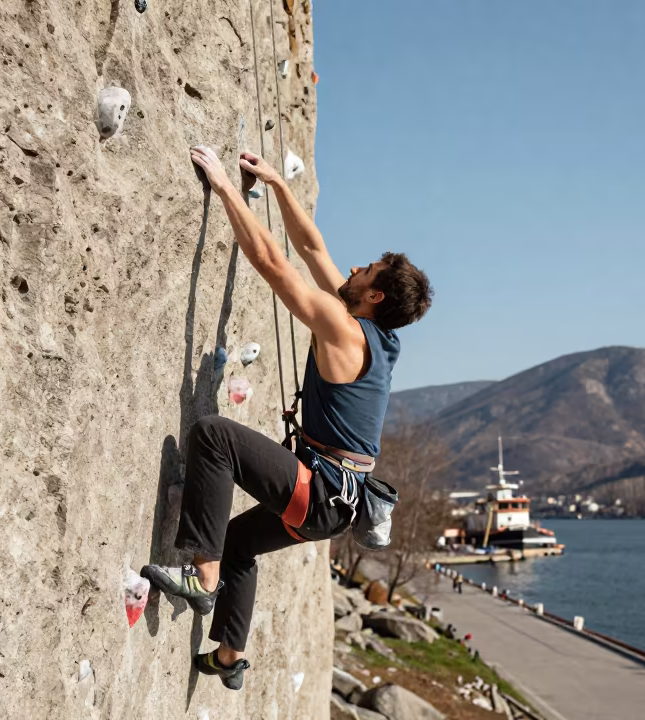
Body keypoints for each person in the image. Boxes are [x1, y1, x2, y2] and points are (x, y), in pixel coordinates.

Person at [141, 146, 433, 691]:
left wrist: (226, 188)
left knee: (213, 436)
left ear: (373, 294)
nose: (351, 266)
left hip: (322, 491)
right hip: (337, 500)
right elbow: (311, 246)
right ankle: (229, 657)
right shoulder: (380, 337)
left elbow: (277, 265)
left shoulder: (344, 329)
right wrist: (276, 184)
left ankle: (203, 578)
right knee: (241, 544)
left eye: (365, 269)